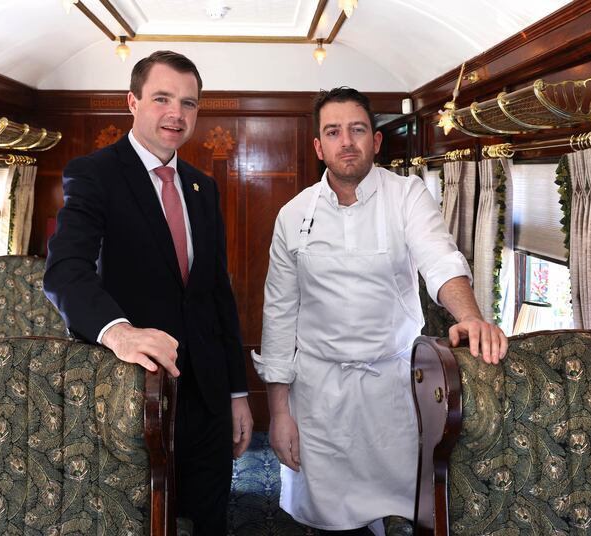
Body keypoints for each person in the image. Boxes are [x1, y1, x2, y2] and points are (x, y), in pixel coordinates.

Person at [253, 87, 508, 534]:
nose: (346, 141)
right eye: (333, 132)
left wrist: (468, 316)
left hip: (392, 392)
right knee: (325, 522)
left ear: (375, 140)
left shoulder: (408, 195)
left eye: (357, 130)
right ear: (319, 146)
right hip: (318, 397)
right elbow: (278, 317)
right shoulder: (293, 215)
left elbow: (440, 260)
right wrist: (278, 414)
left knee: (399, 517)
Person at [43, 50, 252, 535]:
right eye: (162, 98)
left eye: (189, 103)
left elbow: (218, 292)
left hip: (208, 393)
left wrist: (238, 393)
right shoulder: (94, 173)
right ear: (132, 102)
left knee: (211, 517)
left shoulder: (203, 187)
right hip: (134, 389)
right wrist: (119, 333)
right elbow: (66, 272)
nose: (176, 114)